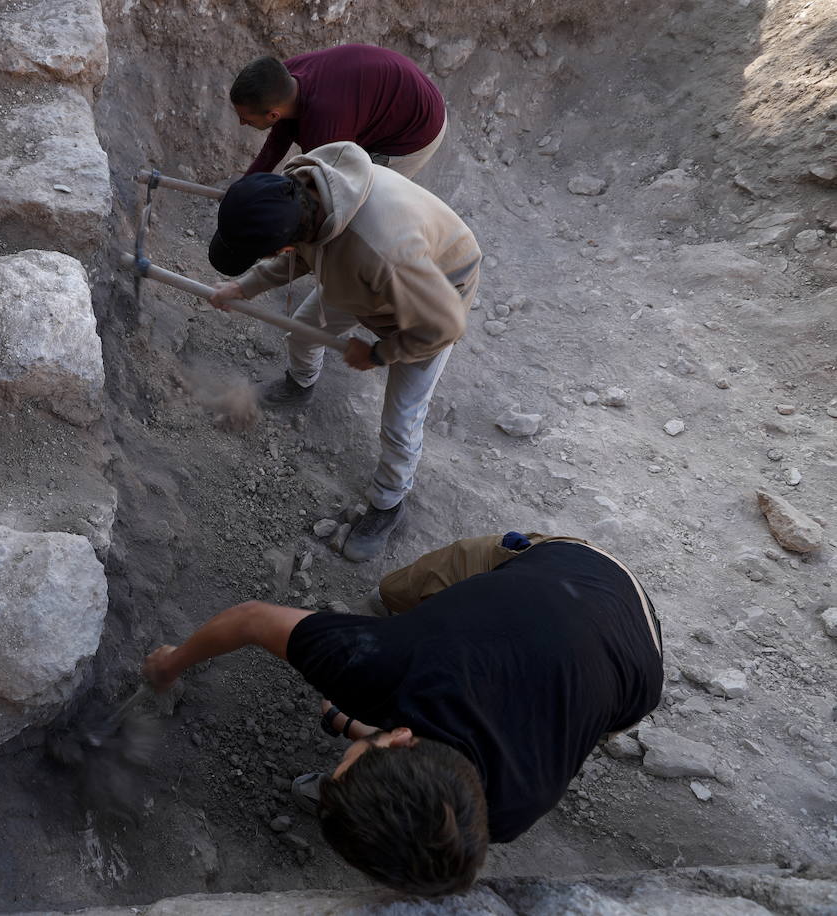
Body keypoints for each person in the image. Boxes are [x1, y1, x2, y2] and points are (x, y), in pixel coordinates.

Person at [142, 532, 664, 897]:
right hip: (579, 569)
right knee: (401, 589)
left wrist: (350, 725)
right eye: (355, 757)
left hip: (633, 663)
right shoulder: (382, 662)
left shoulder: (501, 813)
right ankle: (392, 598)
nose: (349, 751)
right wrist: (171, 663)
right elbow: (253, 619)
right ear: (399, 738)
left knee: (411, 594)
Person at [207, 140, 481, 561]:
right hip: (364, 273)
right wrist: (244, 286)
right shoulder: (307, 190)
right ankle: (299, 385)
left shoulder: (381, 252)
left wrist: (379, 354)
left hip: (435, 296)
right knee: (303, 330)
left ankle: (388, 505)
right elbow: (301, 255)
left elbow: (445, 325)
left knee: (401, 420)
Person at [231, 46, 447, 180]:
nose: (241, 123)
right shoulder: (283, 78)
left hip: (417, 129)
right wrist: (246, 184)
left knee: (360, 202)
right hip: (399, 92)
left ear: (273, 115)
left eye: (246, 119)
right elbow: (278, 140)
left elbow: (324, 191)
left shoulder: (325, 130)